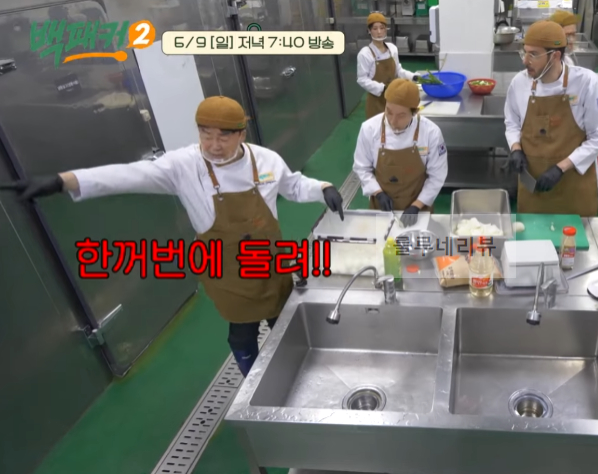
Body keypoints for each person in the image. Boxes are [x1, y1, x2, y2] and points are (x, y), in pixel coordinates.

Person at [0, 96, 345, 377]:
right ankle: (253, 382)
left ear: (242, 133)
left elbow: (293, 185)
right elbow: (126, 175)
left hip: (268, 261)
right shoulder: (184, 166)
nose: (213, 145)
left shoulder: (265, 160)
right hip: (228, 271)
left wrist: (323, 188)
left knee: (283, 320)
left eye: (223, 136)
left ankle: (293, 371)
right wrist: (62, 182)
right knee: (242, 330)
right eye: (206, 134)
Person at [504, 20, 598, 216]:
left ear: (555, 56)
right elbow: (512, 123)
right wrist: (515, 148)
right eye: (524, 52)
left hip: (573, 186)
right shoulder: (519, 83)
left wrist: (560, 168)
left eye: (533, 54)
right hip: (534, 188)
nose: (525, 61)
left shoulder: (586, 83)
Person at [353, 79, 447, 227]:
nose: (393, 121)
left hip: (418, 208)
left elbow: (437, 176)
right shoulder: (369, 129)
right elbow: (361, 168)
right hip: (381, 208)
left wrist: (417, 205)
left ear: (415, 112)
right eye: (389, 112)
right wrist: (378, 193)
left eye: (401, 115)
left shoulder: (431, 133)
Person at [357, 12, 420, 120]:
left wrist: (413, 76)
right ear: (369, 31)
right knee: (379, 126)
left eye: (382, 28)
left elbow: (398, 70)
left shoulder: (392, 49)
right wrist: (382, 88)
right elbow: (362, 79)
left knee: (395, 123)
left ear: (386, 29)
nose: (379, 32)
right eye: (375, 28)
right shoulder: (365, 54)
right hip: (376, 100)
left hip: (393, 97)